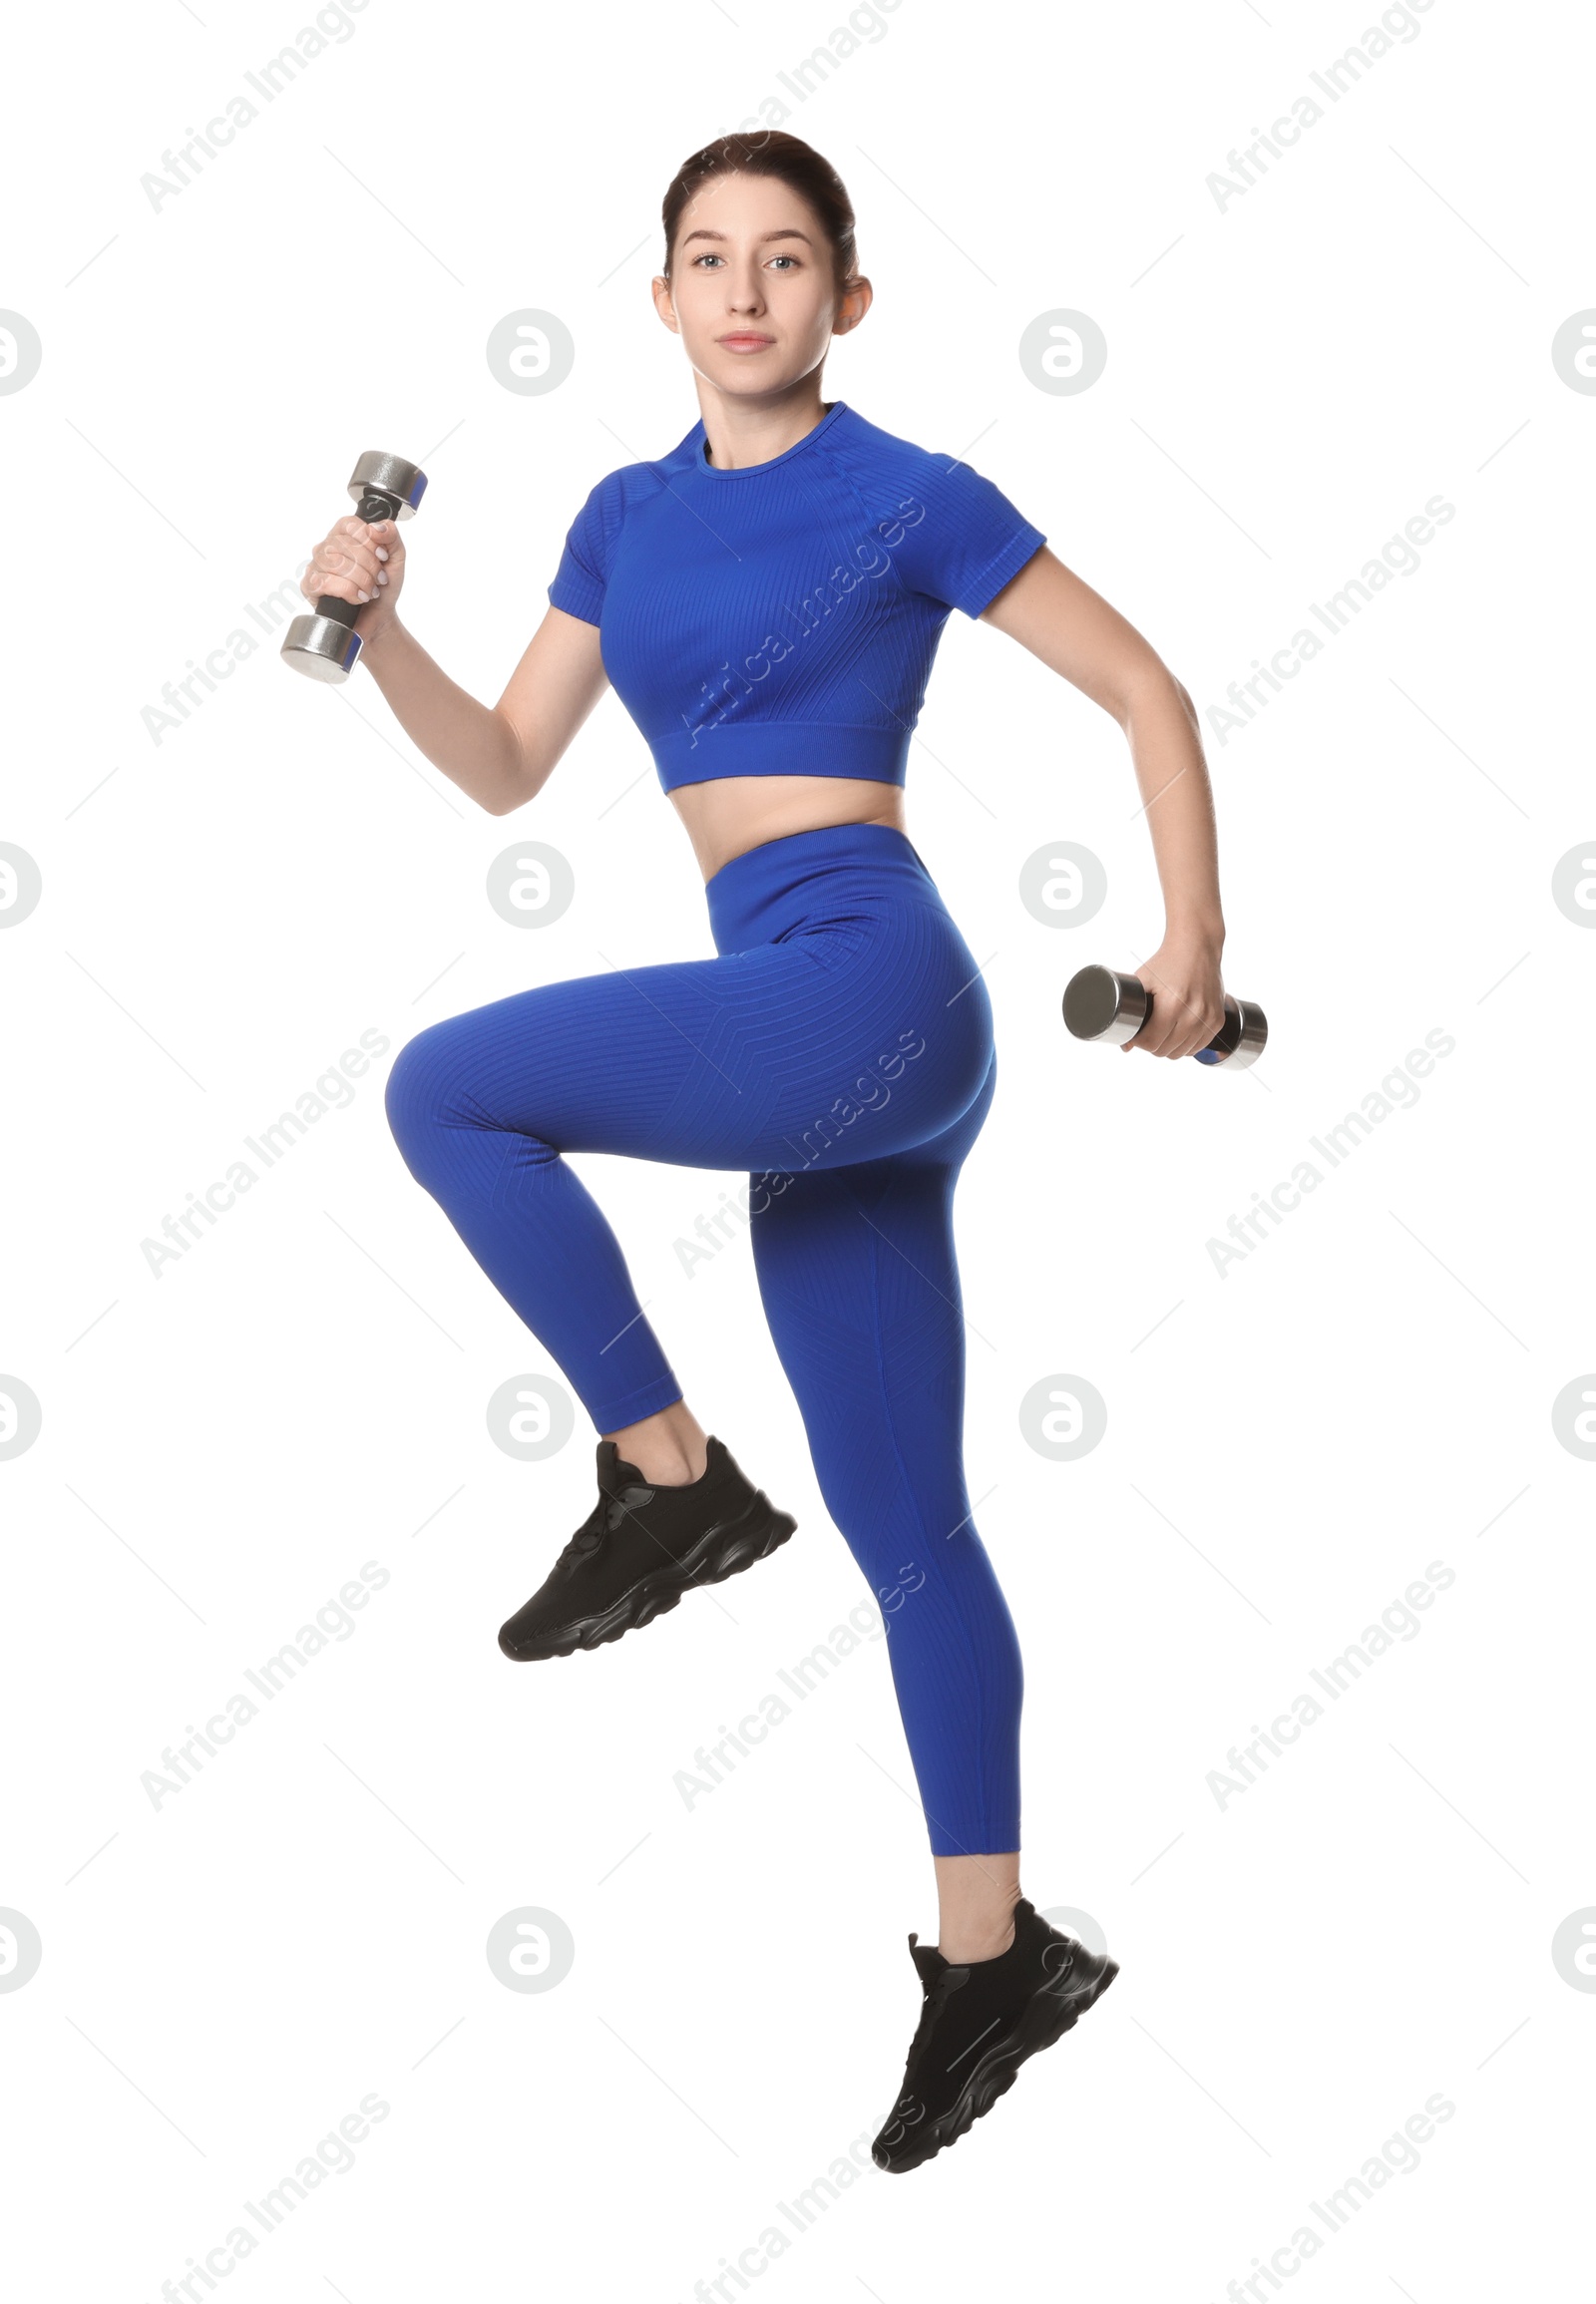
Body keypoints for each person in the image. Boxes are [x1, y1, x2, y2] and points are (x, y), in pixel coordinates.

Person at [297, 131, 1229, 2173]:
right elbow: (502, 771)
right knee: (911, 1530)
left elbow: (1143, 687)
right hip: (819, 1050)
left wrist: (1192, 943)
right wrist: (379, 639)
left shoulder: (907, 492)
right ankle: (996, 1963)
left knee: (447, 1088)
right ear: (658, 301)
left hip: (869, 985)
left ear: (845, 300)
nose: (745, 292)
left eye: (786, 261)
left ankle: (670, 1478)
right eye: (707, 260)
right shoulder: (620, 520)